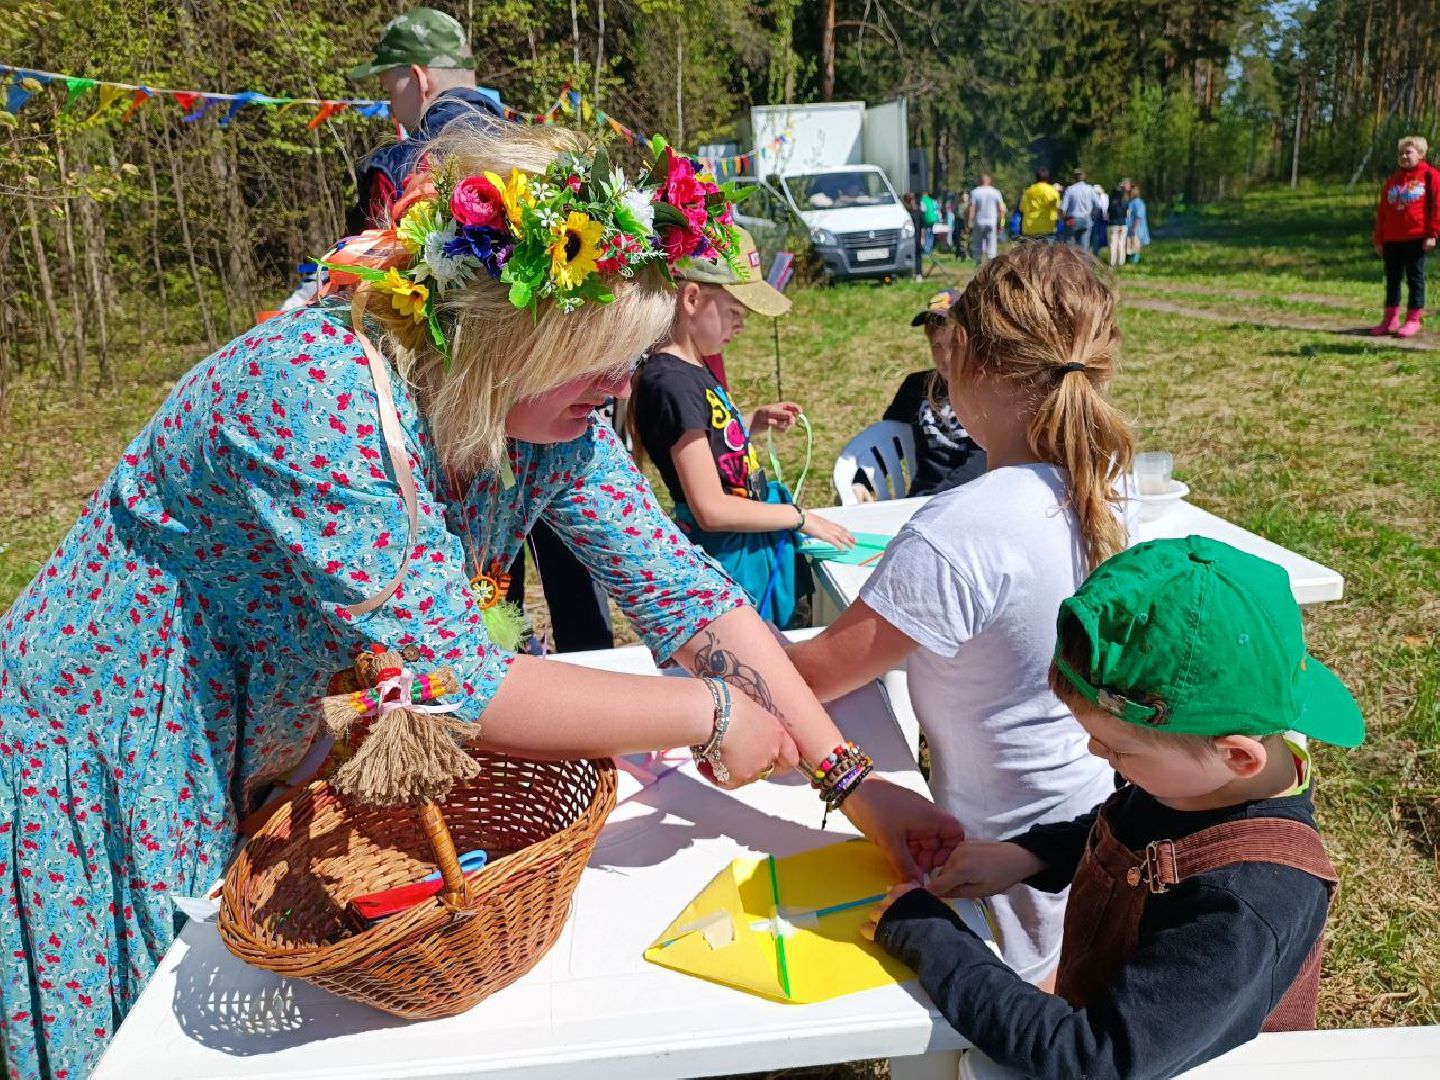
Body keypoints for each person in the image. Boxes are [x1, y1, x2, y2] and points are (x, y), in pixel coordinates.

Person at [0, 126, 962, 1080]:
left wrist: (853, 783)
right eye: (601, 359)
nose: (624, 388)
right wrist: (708, 713)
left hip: (244, 732)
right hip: (109, 750)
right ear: (510, 332)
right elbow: (460, 682)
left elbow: (684, 595)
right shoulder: (318, 392)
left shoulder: (547, 418)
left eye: (634, 357)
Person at [863, 536, 1365, 1079]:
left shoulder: (1244, 904)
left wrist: (933, 938)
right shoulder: (1201, 784)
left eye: (1119, 749)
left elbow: (1090, 1059)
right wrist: (1026, 856)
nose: (1095, 754)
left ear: (1237, 755)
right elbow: (1131, 827)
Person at [789, 244, 1135, 986]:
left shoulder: (961, 530)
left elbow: (815, 676)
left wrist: (720, 638)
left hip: (994, 876)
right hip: (1086, 843)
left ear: (970, 362)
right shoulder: (1094, 489)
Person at [629, 228, 854, 628]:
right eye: (735, 311)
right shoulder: (670, 382)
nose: (742, 325)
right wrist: (797, 516)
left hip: (746, 547)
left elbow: (707, 448)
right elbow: (711, 509)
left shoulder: (690, 367)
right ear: (693, 298)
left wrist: (749, 423)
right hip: (730, 558)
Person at [346, 7, 509, 234]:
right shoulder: (528, 151)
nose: (391, 108)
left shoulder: (396, 168)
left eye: (389, 90)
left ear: (419, 78)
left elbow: (360, 267)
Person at [883, 289, 987, 496]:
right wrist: (861, 482)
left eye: (954, 345)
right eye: (936, 346)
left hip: (970, 498)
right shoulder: (916, 385)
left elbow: (982, 460)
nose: (945, 357)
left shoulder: (986, 390)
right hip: (920, 498)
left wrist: (935, 501)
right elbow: (888, 440)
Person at [1370, 135, 1440, 337]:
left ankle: (1413, 320)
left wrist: (1432, 233)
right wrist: (1379, 239)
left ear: (1421, 153)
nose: (1403, 156)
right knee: (1392, 279)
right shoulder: (1392, 181)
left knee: (1414, 279)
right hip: (1392, 239)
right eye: (1401, 153)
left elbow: (1437, 207)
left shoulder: (1431, 176)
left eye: (1408, 152)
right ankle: (1390, 319)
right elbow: (1383, 212)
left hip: (1416, 237)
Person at [967, 173, 1006, 265]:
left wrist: (969, 222)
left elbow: (972, 208)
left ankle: (978, 265)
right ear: (989, 181)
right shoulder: (996, 192)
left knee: (977, 246)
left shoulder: (975, 192)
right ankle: (990, 267)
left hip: (979, 222)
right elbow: (1001, 209)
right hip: (991, 222)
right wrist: (1001, 223)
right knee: (991, 247)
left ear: (979, 181)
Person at [1059, 168, 1098, 249]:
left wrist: (1063, 220)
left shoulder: (1070, 189)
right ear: (1084, 177)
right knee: (1084, 246)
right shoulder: (1090, 189)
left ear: (1074, 177)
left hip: (1072, 220)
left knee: (1070, 245)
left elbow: (1063, 208)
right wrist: (1093, 216)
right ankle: (1084, 261)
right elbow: (1098, 205)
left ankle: (1071, 261)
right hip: (1086, 218)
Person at [1019, 167, 1060, 242]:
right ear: (1047, 178)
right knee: (1047, 253)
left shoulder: (1028, 191)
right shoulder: (1053, 191)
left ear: (1036, 178)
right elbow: (1058, 207)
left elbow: (1021, 208)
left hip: (1030, 228)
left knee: (1031, 253)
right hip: (1048, 228)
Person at [1106, 179, 1131, 268]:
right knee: (1121, 244)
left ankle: (1112, 263)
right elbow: (1128, 214)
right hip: (1123, 224)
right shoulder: (1125, 201)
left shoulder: (1111, 200)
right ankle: (1121, 262)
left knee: (1113, 244)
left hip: (1113, 224)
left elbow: (1107, 213)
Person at [1126, 182, 1150, 263]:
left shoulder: (1139, 203)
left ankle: (1134, 261)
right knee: (1130, 245)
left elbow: (1138, 216)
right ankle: (1130, 260)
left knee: (1135, 245)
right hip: (1130, 227)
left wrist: (1134, 227)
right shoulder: (1131, 202)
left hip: (1137, 228)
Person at [903, 192, 926, 280]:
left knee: (910, 256)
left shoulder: (904, 213)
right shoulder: (918, 212)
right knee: (917, 257)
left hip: (907, 239)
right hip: (917, 238)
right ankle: (918, 274)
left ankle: (910, 274)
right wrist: (923, 239)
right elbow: (923, 227)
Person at [1089, 183, 1109, 258]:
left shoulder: (1104, 197)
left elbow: (1104, 208)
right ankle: (1094, 253)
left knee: (1096, 236)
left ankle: (1095, 253)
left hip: (1099, 218)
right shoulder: (1103, 197)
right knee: (1095, 236)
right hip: (1097, 218)